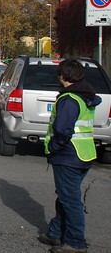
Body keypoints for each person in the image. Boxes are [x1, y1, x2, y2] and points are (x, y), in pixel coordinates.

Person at [39, 59, 99, 253]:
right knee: (66, 196)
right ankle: (55, 233)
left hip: (68, 155)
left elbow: (62, 130)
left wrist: (54, 147)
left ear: (63, 76)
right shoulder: (85, 96)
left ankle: (75, 242)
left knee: (70, 200)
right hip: (84, 154)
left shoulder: (69, 99)